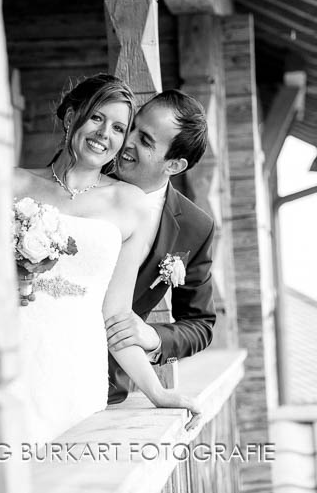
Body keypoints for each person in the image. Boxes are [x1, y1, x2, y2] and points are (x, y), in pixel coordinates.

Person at [13, 74, 201, 441]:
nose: (105, 134)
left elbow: (115, 314)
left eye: (119, 127)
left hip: (75, 364)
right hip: (10, 348)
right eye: (96, 118)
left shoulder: (130, 205)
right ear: (71, 118)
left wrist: (157, 392)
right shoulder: (12, 184)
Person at [106, 89, 216, 404]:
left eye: (146, 141)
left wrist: (152, 337)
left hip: (107, 383)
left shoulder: (196, 228)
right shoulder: (82, 179)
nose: (127, 142)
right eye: (133, 127)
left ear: (175, 165)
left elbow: (200, 323)